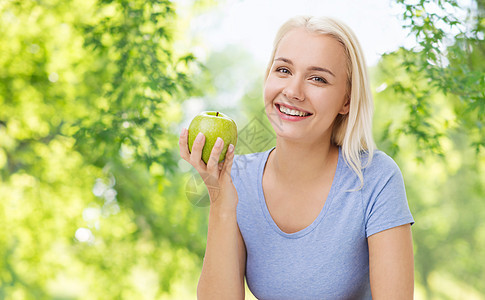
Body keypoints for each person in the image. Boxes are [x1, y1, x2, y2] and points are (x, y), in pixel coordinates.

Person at [179, 15, 414, 300]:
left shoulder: (375, 177)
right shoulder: (236, 177)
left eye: (317, 78)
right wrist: (221, 203)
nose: (292, 91)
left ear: (346, 101)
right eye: (283, 70)